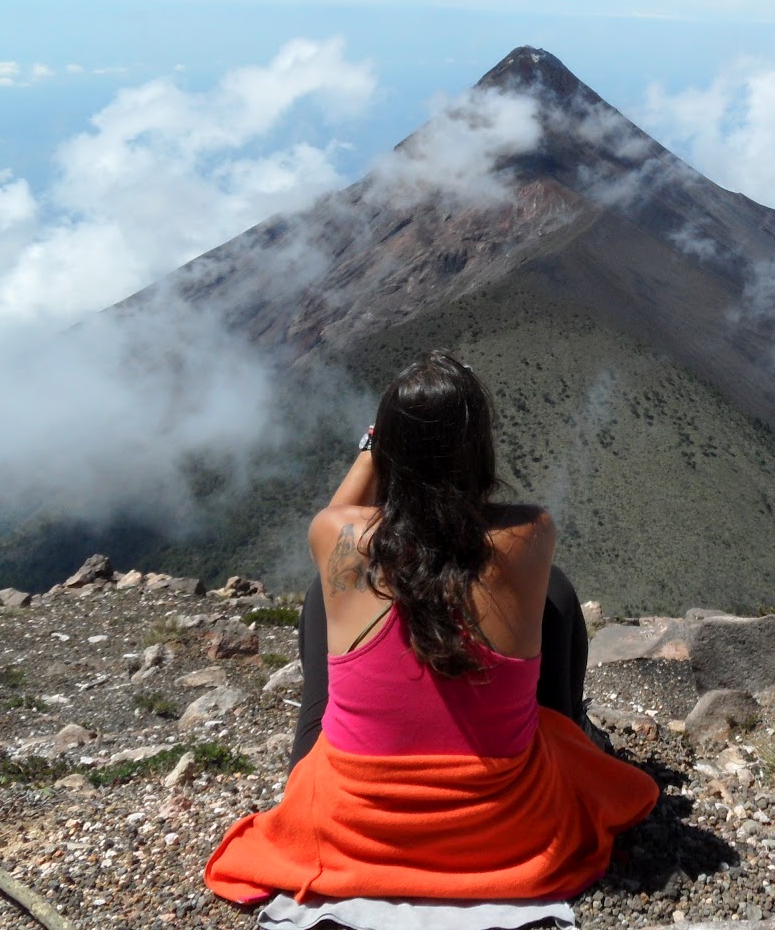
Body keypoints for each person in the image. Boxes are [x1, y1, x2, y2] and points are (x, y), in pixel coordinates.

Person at [206, 351, 658, 908]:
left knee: (324, 602)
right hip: (506, 833)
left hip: (351, 829)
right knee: (555, 594)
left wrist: (374, 452)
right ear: (479, 451)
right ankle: (574, 722)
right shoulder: (531, 534)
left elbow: (337, 518)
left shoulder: (339, 540)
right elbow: (460, 536)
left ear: (388, 453)